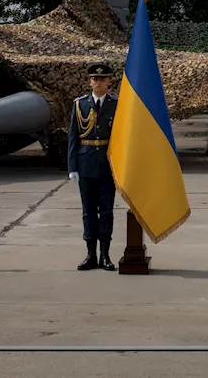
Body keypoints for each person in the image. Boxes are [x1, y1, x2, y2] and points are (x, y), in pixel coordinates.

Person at [67, 62, 118, 271]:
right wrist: (72, 167)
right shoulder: (80, 105)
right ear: (90, 82)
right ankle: (90, 255)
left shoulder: (116, 104)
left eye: (103, 79)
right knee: (88, 211)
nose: (98, 82)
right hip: (86, 162)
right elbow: (73, 137)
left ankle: (105, 255)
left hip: (107, 164)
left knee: (106, 211)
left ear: (109, 82)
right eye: (95, 79)